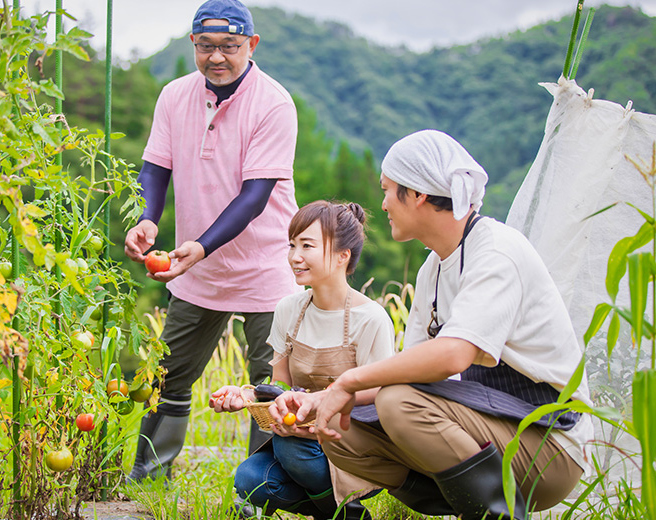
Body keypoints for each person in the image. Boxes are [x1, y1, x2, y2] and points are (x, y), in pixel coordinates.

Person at [270, 130, 594, 520]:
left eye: (388, 190)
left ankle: (496, 514)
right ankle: (461, 504)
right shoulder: (434, 269)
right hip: (490, 426)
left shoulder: (496, 252)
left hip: (548, 442)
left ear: (418, 194)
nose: (384, 203)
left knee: (398, 403)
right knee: (339, 430)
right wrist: (319, 400)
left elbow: (453, 355)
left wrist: (347, 383)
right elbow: (410, 370)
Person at [122, 0, 299, 481]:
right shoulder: (174, 95)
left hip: (265, 268)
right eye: (206, 47)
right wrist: (148, 219)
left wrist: (199, 245)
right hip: (195, 268)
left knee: (269, 386)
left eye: (229, 47)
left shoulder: (274, 103)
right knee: (169, 374)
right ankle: (150, 475)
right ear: (194, 45)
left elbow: (255, 196)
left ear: (252, 45)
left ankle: (265, 491)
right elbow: (156, 166)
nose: (216, 57)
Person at [210, 201, 394, 520]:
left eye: (307, 246)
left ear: (342, 256)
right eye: (292, 244)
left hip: (353, 444)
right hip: (302, 435)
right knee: (251, 480)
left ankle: (344, 512)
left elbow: (382, 391)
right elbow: (281, 384)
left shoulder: (371, 319)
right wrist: (249, 395)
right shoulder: (288, 310)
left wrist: (324, 403)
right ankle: (343, 513)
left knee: (288, 446)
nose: (295, 256)